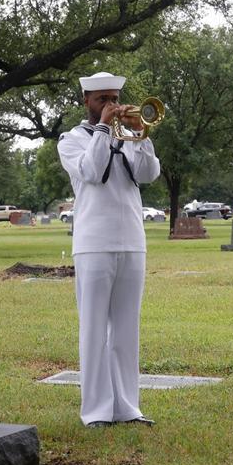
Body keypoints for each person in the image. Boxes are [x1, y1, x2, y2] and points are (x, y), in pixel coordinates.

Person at [57, 71, 161, 427]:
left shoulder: (129, 135)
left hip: (132, 240)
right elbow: (91, 170)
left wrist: (141, 135)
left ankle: (128, 407)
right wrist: (102, 129)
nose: (111, 106)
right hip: (93, 243)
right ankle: (97, 411)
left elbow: (148, 174)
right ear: (86, 101)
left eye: (114, 98)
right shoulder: (70, 140)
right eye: (102, 100)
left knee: (126, 329)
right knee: (94, 328)